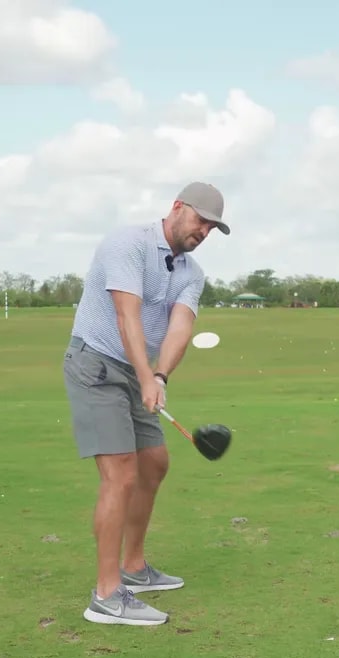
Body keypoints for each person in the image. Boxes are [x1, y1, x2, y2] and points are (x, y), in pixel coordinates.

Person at [62, 181, 229, 626]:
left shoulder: (191, 273)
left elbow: (179, 328)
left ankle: (133, 569)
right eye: (200, 221)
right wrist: (143, 376)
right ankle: (106, 595)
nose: (203, 233)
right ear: (176, 208)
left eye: (211, 228)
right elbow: (126, 315)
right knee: (120, 474)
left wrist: (159, 376)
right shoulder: (128, 243)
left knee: (154, 463)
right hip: (96, 364)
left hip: (138, 373)